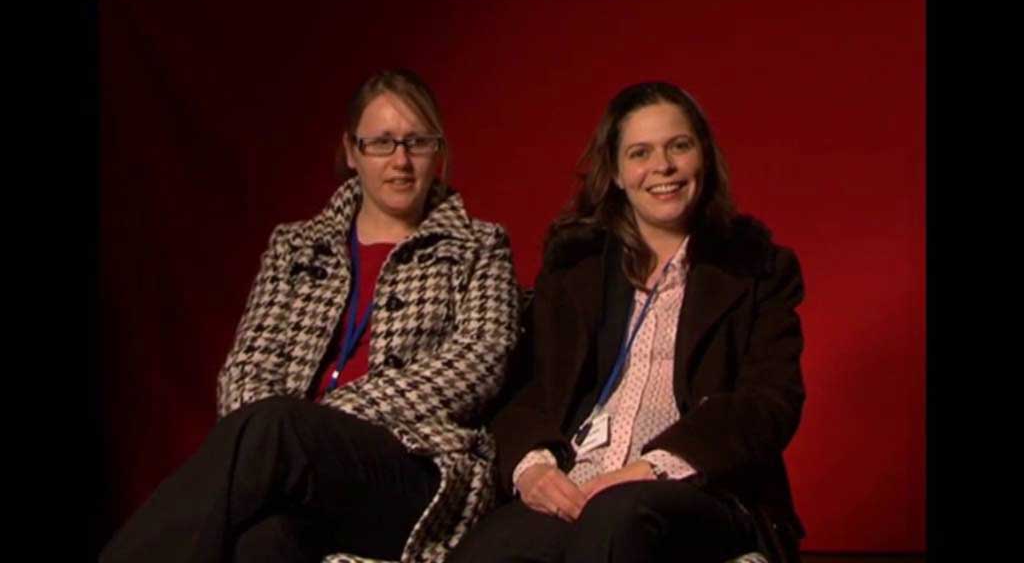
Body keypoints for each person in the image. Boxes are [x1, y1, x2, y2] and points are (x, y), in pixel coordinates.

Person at [100, 68, 520, 563]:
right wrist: (295, 432)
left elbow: (479, 363)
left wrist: (320, 420)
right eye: (382, 143)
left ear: (438, 151)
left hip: (414, 470)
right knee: (266, 541)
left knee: (278, 429)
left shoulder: (479, 246)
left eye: (418, 142)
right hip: (295, 465)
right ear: (351, 152)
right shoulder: (297, 247)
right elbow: (245, 368)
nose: (401, 161)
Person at [450, 81, 806, 563]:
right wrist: (533, 468)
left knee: (618, 518)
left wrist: (650, 468)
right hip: (580, 485)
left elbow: (769, 402)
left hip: (700, 490)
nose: (663, 167)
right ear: (616, 173)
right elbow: (526, 389)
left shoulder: (756, 268)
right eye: (641, 153)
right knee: (487, 553)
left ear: (703, 155)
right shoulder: (576, 271)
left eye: (678, 146)